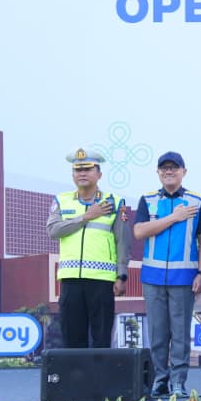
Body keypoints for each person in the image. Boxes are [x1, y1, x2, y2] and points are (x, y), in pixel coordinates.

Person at [134, 151, 201, 397]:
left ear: (183, 172)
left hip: (184, 277)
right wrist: (174, 217)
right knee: (157, 333)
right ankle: (160, 379)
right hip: (153, 278)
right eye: (164, 168)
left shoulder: (196, 201)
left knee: (180, 333)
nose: (169, 171)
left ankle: (178, 381)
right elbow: (139, 232)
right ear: (158, 172)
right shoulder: (148, 200)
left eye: (174, 168)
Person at [45, 148, 131, 349]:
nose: (82, 173)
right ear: (72, 175)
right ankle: (75, 372)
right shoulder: (61, 200)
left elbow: (123, 241)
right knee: (72, 339)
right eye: (78, 170)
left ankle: (101, 371)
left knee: (101, 339)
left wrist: (121, 276)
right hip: (70, 280)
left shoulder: (114, 202)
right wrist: (86, 217)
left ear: (99, 174)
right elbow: (53, 231)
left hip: (102, 281)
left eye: (87, 169)